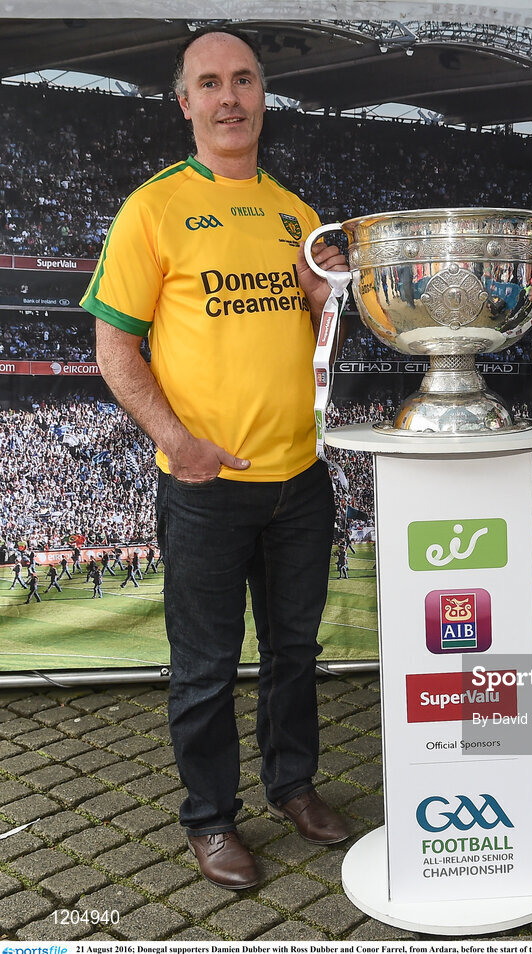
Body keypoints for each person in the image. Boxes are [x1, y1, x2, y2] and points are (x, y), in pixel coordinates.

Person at [82, 27, 350, 891]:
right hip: (205, 486)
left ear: (263, 96)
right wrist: (176, 441)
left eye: (243, 80)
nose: (229, 97)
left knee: (294, 653)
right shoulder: (153, 208)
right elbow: (114, 347)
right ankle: (208, 820)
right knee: (204, 668)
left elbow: (322, 340)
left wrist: (326, 303)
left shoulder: (297, 215)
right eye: (211, 83)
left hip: (300, 481)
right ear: (185, 102)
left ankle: (294, 786)